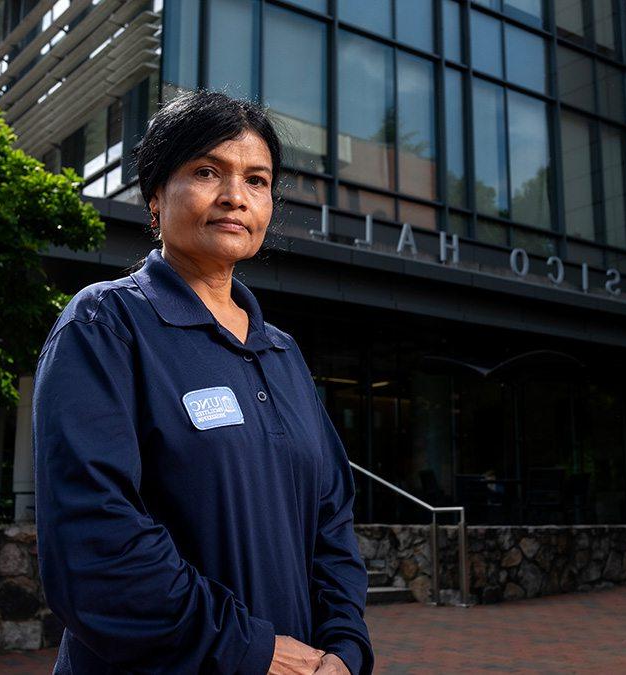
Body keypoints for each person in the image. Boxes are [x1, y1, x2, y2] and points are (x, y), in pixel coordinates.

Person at [33, 89, 374, 675]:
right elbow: (94, 542)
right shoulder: (105, 325)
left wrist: (343, 649)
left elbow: (331, 525)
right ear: (155, 197)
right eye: (206, 171)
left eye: (257, 180)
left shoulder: (282, 353)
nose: (235, 197)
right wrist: (248, 650)